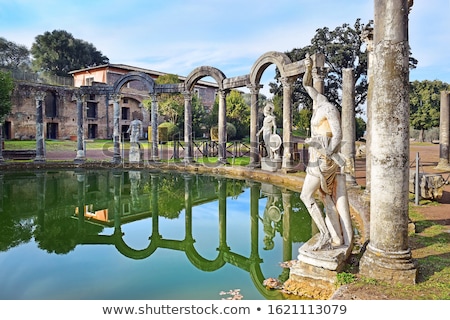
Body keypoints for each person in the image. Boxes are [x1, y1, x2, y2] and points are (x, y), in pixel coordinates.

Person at [300, 54, 347, 251]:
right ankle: (336, 235)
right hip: (317, 155)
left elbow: (338, 134)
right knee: (324, 196)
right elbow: (306, 85)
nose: (313, 97)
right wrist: (308, 69)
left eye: (316, 97)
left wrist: (326, 151)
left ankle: (326, 235)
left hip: (324, 158)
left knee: (306, 196)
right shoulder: (318, 104)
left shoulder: (328, 108)